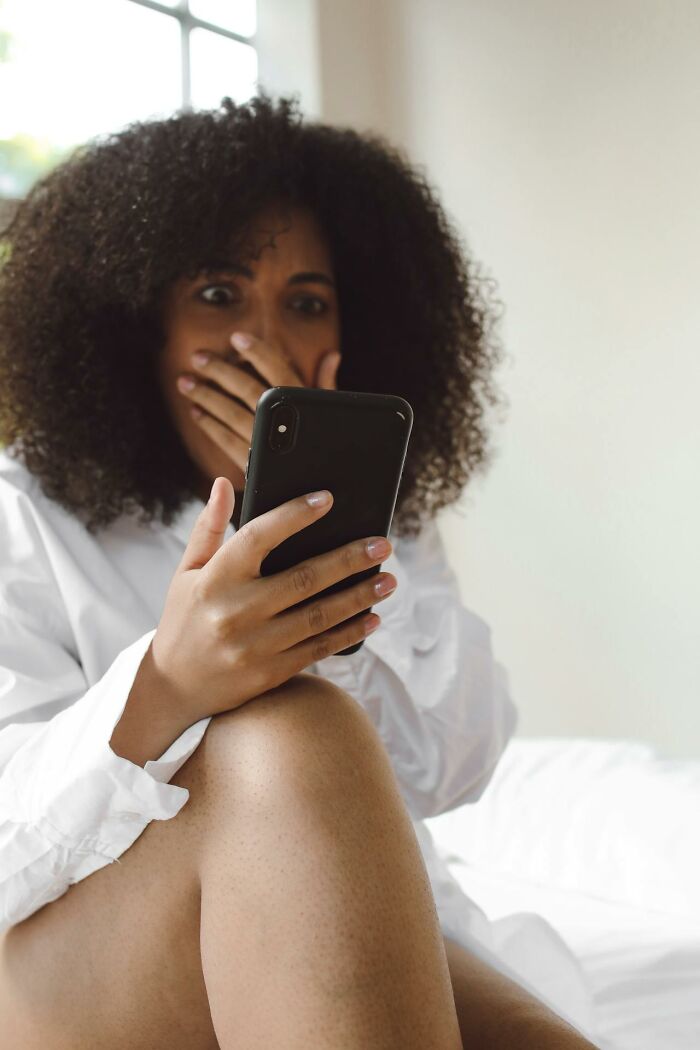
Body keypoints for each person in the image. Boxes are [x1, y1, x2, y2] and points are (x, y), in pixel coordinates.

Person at [0, 94, 597, 1048]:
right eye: (217, 295)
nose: (261, 347)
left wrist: (331, 555)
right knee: (291, 730)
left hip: (311, 920)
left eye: (305, 304)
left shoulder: (374, 518)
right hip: (59, 967)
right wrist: (166, 688)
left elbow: (453, 771)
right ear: (136, 322)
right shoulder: (22, 509)